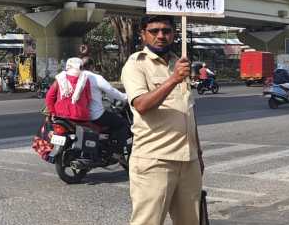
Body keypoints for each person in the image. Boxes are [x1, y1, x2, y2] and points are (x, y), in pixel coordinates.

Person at [121, 15, 203, 225]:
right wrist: (174, 79)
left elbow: (187, 111)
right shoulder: (136, 64)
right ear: (143, 35)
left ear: (174, 34)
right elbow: (141, 105)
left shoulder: (179, 62)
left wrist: (198, 155)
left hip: (188, 161)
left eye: (166, 31)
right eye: (154, 31)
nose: (161, 36)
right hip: (155, 160)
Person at [81, 57, 130, 156]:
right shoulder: (95, 77)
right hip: (95, 115)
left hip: (79, 114)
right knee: (122, 123)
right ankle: (118, 151)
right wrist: (125, 97)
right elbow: (111, 91)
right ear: (91, 66)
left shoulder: (75, 76)